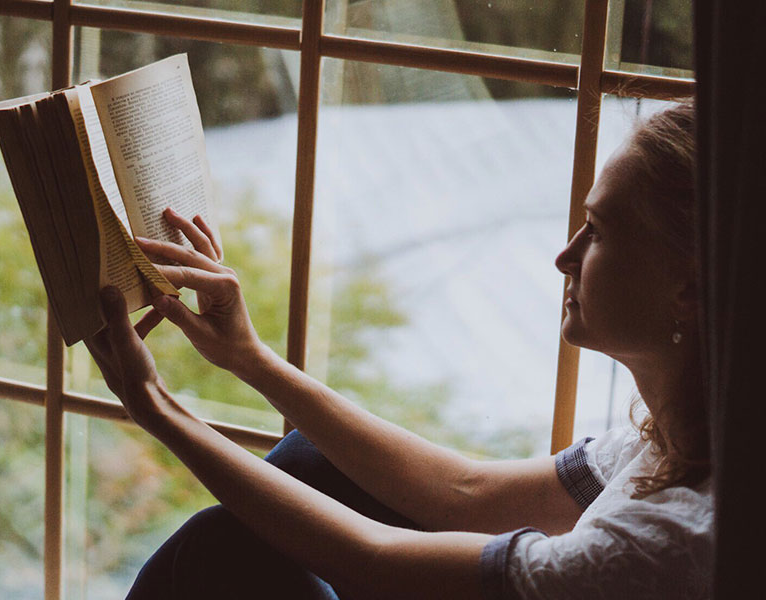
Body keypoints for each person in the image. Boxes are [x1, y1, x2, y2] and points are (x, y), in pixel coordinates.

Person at [86, 99, 712, 599]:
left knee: (221, 549)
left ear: (688, 288)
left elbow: (378, 562)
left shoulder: (669, 540)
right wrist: (249, 357)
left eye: (597, 233)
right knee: (312, 462)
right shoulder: (678, 442)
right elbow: (468, 492)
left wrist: (156, 408)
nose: (563, 257)